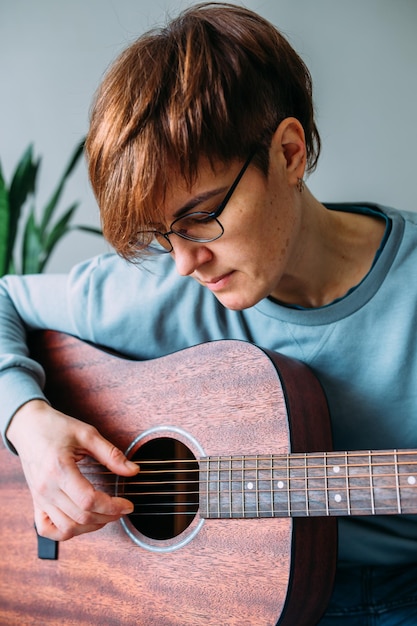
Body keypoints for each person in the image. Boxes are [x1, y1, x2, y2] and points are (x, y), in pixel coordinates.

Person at [1, 2, 417, 624]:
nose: (186, 263)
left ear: (289, 152)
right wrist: (27, 423)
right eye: (162, 236)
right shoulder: (160, 292)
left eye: (201, 217)